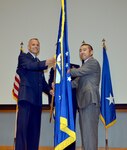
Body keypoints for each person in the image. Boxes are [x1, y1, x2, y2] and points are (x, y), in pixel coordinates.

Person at [15, 38, 55, 150]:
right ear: (28, 47)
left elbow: (42, 83)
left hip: (37, 102)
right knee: (23, 131)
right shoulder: (23, 57)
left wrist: (50, 90)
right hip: (26, 99)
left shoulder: (38, 63)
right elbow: (30, 66)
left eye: (38, 45)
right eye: (33, 44)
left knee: (34, 132)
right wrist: (47, 62)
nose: (36, 46)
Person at [70, 42, 101, 150]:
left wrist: (65, 70)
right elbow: (74, 83)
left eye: (84, 49)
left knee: (89, 136)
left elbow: (77, 72)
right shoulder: (84, 68)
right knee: (86, 136)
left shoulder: (93, 63)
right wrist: (59, 87)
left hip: (90, 101)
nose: (82, 52)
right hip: (83, 103)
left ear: (91, 52)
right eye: (80, 50)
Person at [48, 63, 80, 150]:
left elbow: (78, 85)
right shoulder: (54, 69)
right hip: (59, 105)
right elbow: (50, 86)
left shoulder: (75, 68)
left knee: (70, 130)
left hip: (71, 105)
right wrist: (52, 104)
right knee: (59, 131)